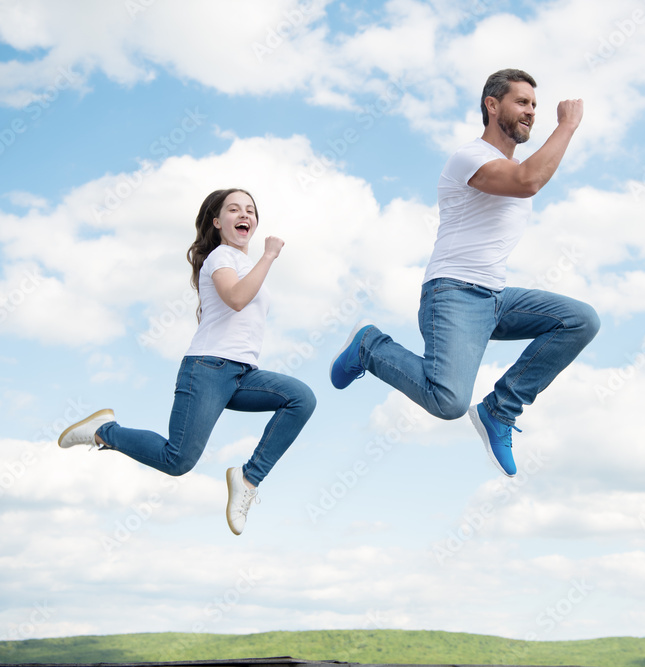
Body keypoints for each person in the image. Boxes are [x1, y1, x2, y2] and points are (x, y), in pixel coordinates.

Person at [330, 68, 599, 478]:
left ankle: (499, 410)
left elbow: (528, 176)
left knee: (580, 320)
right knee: (448, 403)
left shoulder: (511, 165)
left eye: (534, 105)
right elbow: (528, 181)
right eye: (522, 102)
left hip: (495, 297)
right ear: (492, 105)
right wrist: (568, 124)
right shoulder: (470, 157)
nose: (530, 112)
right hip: (452, 294)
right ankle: (369, 346)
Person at [58, 188, 316, 535]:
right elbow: (237, 298)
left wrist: (261, 260)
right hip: (208, 369)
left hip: (242, 374)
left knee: (301, 398)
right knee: (177, 460)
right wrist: (269, 256)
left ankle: (248, 479)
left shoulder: (243, 262)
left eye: (251, 211)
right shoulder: (220, 257)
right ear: (217, 222)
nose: (245, 215)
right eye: (234, 210)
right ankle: (103, 431)